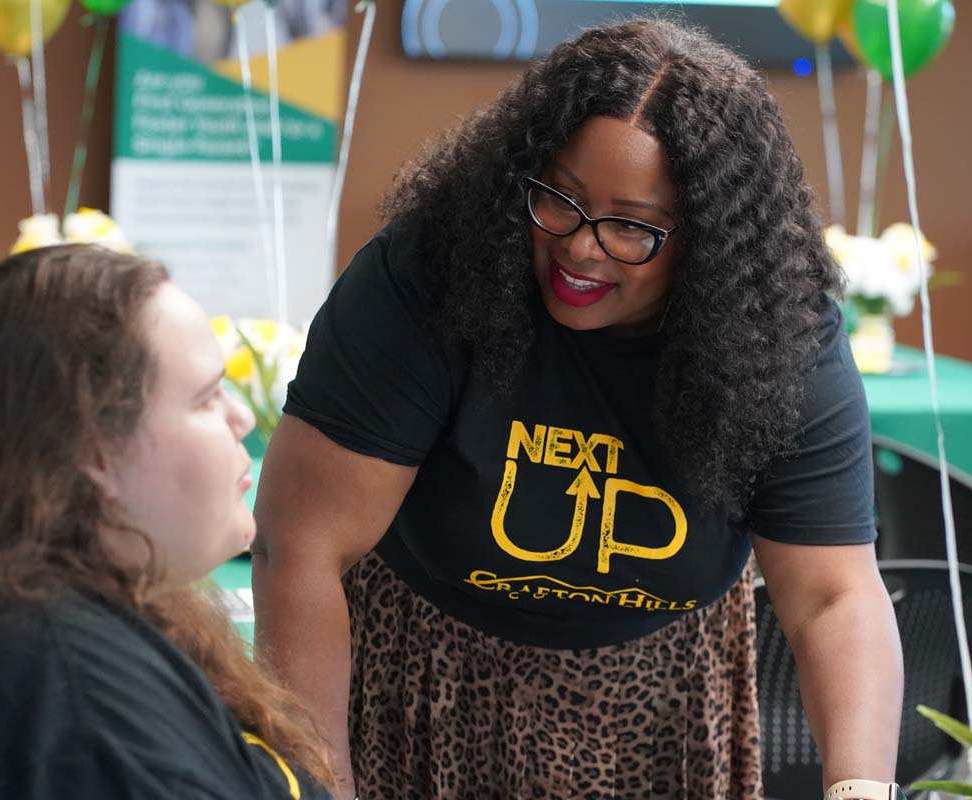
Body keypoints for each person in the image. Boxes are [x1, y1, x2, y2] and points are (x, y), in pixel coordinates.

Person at [252, 20, 903, 800]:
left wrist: (861, 789)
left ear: (712, 243)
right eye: (558, 196)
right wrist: (321, 785)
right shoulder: (427, 274)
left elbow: (834, 596)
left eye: (632, 226)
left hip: (665, 705)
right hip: (415, 679)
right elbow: (300, 549)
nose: (581, 249)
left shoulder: (780, 335)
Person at [0, 245, 334, 799]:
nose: (240, 417)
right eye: (204, 398)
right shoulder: (69, 696)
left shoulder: (16, 600)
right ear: (93, 448)